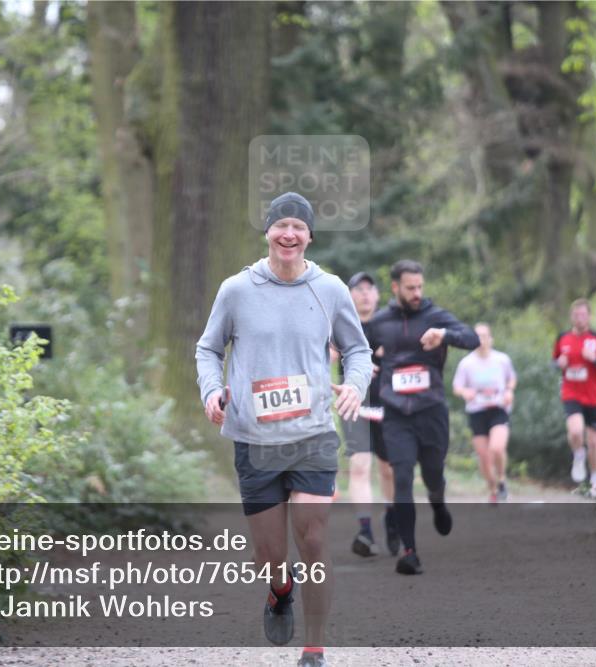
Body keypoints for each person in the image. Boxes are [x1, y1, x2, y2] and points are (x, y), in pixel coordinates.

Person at [196, 191, 372, 667]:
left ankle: (314, 649)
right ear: (268, 233)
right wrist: (212, 391)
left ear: (310, 236)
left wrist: (354, 384)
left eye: (298, 227)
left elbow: (359, 350)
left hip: (313, 435)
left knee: (312, 539)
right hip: (254, 440)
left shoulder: (330, 289)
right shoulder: (237, 289)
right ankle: (280, 589)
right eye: (281, 226)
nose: (289, 234)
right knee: (269, 554)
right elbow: (208, 350)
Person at [366, 260, 480, 575]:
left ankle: (437, 500)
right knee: (402, 477)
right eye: (410, 288)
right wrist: (364, 364)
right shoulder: (379, 322)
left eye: (420, 287)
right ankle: (410, 552)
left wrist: (443, 335)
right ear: (395, 287)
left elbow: (472, 338)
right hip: (396, 415)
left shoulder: (434, 316)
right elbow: (356, 349)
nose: (417, 293)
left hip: (431, 412)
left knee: (432, 474)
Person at [333, 271, 398, 558]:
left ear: (378, 295)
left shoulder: (389, 325)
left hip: (389, 406)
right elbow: (325, 355)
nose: (364, 294)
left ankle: (394, 518)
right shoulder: (341, 324)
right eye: (358, 289)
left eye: (370, 289)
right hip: (354, 403)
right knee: (360, 467)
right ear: (349, 295)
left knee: (389, 470)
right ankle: (365, 532)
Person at [552, 298, 596, 496]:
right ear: (571, 317)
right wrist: (559, 364)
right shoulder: (562, 338)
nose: (579, 318)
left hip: (594, 397)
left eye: (583, 314)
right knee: (575, 431)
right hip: (571, 393)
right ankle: (578, 454)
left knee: (595, 442)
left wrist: (595, 359)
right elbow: (554, 362)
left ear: (589, 316)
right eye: (576, 315)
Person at [452, 323, 517, 504]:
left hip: (498, 409)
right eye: (477, 336)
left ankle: (502, 478)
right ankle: (493, 489)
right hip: (477, 411)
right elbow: (457, 387)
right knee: (484, 455)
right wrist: (465, 392)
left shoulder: (502, 359)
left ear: (491, 339)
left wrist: (509, 391)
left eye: (484, 336)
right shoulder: (466, 363)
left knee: (496, 448)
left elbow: (511, 378)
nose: (481, 340)